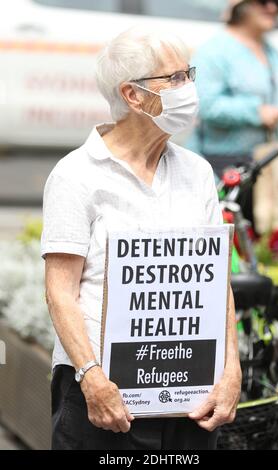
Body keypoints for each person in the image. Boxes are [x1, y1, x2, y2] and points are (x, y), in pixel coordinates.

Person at [41, 27, 241, 451]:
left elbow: (214, 281)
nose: (189, 88)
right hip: (103, 395)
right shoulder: (76, 175)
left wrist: (231, 370)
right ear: (132, 95)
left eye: (189, 74)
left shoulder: (197, 172)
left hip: (190, 390)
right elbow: (60, 291)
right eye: (174, 78)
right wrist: (92, 378)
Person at [186, 0, 278, 225]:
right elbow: (204, 104)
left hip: (271, 170)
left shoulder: (273, 54)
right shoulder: (214, 51)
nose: (272, 8)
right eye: (263, 1)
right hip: (226, 170)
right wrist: (255, 112)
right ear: (239, 5)